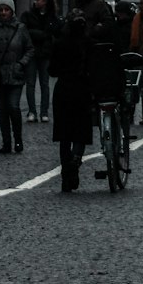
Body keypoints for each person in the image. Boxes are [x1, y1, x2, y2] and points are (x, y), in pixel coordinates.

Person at [0, 0, 32, 154]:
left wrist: (21, 63)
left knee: (13, 106)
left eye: (6, 10)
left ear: (12, 11)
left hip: (15, 75)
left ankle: (18, 139)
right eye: (1, 10)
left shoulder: (21, 28)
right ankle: (6, 142)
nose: (3, 13)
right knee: (2, 110)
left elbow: (30, 49)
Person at [48, 12, 93, 192]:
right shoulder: (89, 44)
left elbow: (52, 70)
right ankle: (75, 160)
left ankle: (66, 173)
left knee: (64, 134)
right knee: (80, 130)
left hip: (64, 89)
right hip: (82, 89)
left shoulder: (60, 44)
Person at [23, 0, 61, 124]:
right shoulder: (29, 15)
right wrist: (43, 35)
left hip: (44, 54)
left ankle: (44, 112)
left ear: (44, 2)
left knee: (44, 84)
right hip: (32, 52)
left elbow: (55, 33)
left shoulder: (52, 17)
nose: (35, 2)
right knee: (31, 84)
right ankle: (32, 111)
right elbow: (25, 31)